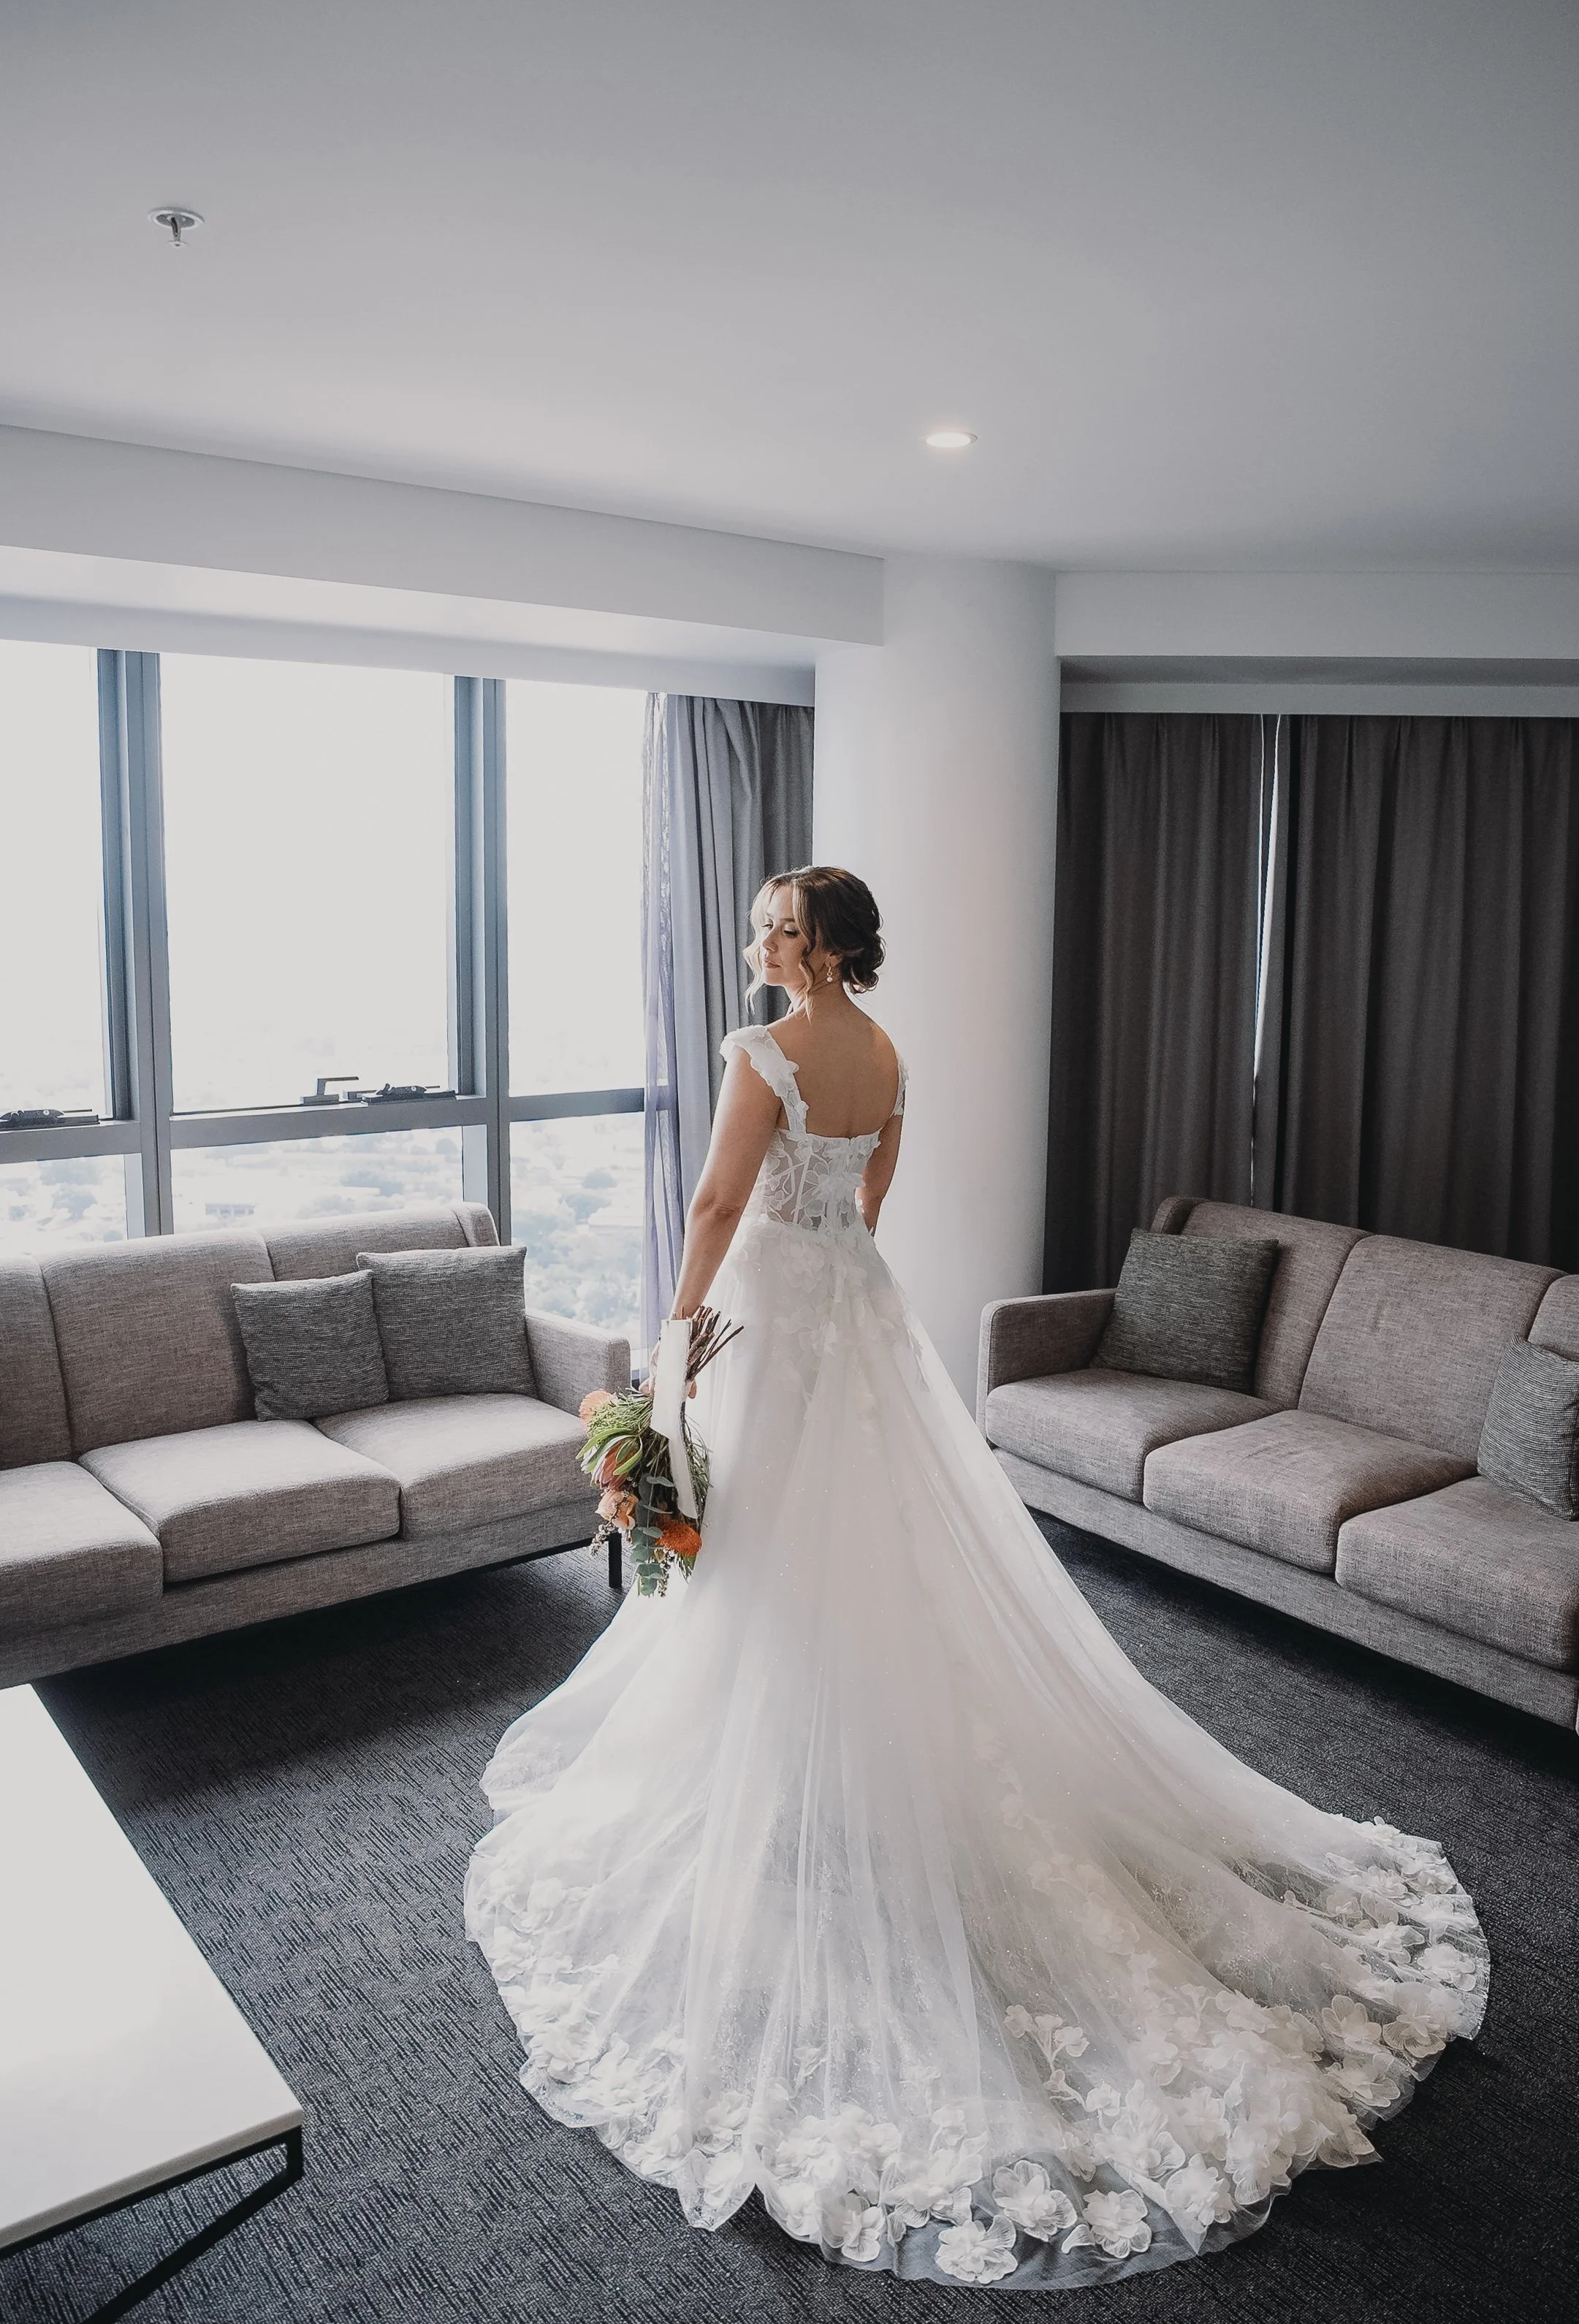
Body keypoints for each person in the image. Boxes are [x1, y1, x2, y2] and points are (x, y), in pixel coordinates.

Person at [465, 866, 1486, 2290]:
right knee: (879, 1548)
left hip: (762, 1306)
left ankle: (796, 1785)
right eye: (759, 919)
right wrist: (823, 1270)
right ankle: (855, 1768)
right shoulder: (883, 1053)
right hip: (858, 1313)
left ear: (819, 949)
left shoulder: (760, 1050)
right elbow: (871, 1196)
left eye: (775, 924)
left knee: (762, 1552)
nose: (756, 939)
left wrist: (674, 1341)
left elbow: (712, 1199)